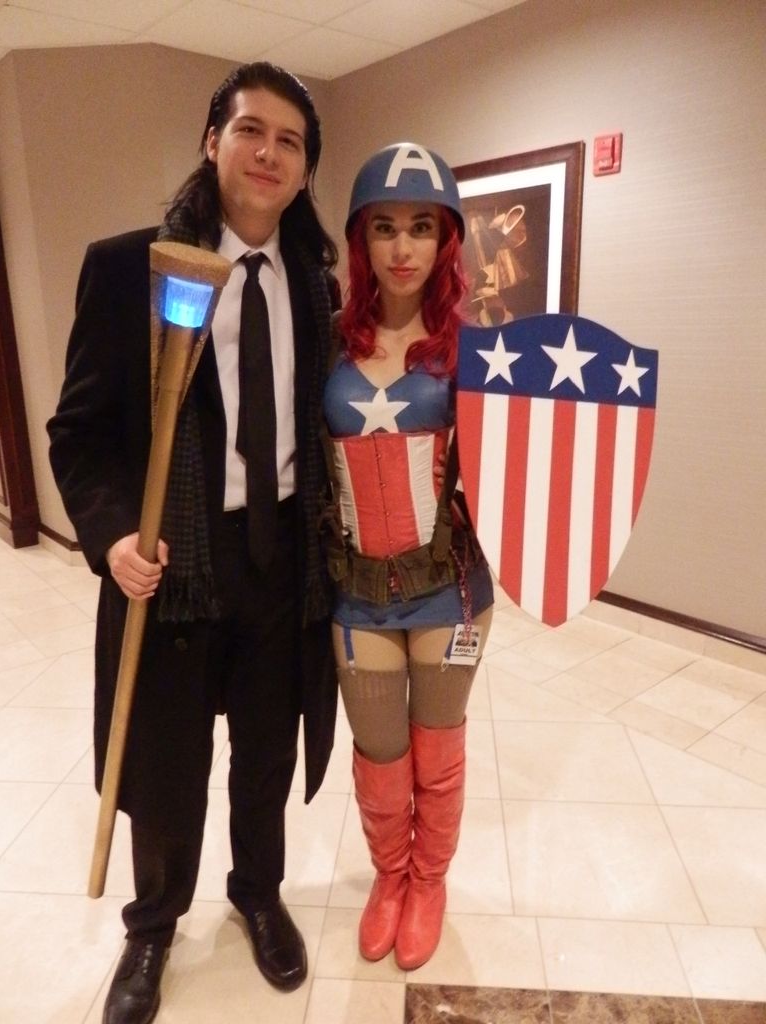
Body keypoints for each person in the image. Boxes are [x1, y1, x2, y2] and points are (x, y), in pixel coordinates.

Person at [47, 62, 339, 1024]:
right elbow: (78, 435)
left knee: (264, 753)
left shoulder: (316, 284)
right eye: (251, 130)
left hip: (283, 558)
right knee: (167, 764)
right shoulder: (132, 270)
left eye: (290, 141)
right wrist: (108, 537)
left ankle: (258, 894)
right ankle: (153, 926)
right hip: (175, 563)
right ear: (212, 141)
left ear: (305, 169)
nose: (268, 153)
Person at [321, 143, 494, 971]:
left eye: (421, 227)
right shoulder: (327, 346)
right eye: (384, 227)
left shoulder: (476, 354)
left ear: (445, 240)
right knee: (380, 750)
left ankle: (428, 882)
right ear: (362, 240)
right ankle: (390, 877)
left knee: (438, 747)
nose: (402, 247)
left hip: (448, 591)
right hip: (356, 591)